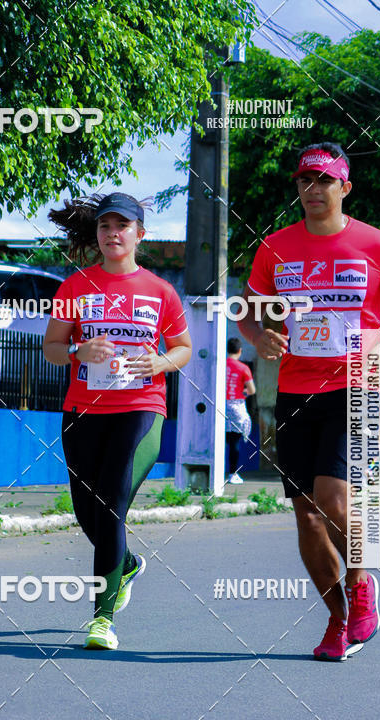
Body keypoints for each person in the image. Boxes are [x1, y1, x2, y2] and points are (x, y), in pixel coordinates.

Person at [239, 142, 380, 661]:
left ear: (344, 187)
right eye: (305, 180)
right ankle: (337, 619)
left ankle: (362, 580)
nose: (313, 189)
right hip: (296, 391)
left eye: (324, 180)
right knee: (305, 517)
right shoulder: (275, 247)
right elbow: (248, 310)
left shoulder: (378, 244)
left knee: (333, 500)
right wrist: (259, 338)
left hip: (358, 386)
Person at [43, 193, 192, 650]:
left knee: (109, 504)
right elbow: (51, 348)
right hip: (83, 411)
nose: (113, 234)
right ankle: (124, 563)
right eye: (105, 226)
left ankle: (101, 619)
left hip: (141, 409)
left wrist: (161, 363)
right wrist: (77, 352)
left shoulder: (160, 291)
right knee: (88, 512)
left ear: (139, 235)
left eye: (122, 226)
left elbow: (183, 347)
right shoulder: (75, 287)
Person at [225, 337, 255, 484]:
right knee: (234, 442)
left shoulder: (219, 365)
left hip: (219, 406)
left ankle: (215, 470)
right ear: (240, 351)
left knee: (218, 440)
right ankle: (232, 474)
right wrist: (243, 393)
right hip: (236, 407)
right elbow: (252, 390)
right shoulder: (243, 368)